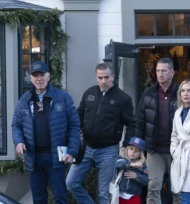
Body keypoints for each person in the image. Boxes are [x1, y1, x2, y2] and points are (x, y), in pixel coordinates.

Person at [66, 62, 137, 204]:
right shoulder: (89, 93)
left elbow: (131, 124)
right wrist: (74, 135)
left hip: (108, 151)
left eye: (106, 77)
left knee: (103, 194)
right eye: (100, 78)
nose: (103, 81)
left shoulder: (123, 98)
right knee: (71, 183)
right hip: (86, 148)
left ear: (113, 76)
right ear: (96, 77)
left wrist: (125, 145)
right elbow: (79, 115)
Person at [12, 61, 80, 204]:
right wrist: (19, 142)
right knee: (38, 199)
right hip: (34, 157)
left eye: (42, 74)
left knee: (60, 197)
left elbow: (74, 125)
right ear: (30, 79)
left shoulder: (63, 97)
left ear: (48, 76)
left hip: (56, 156)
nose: (39, 79)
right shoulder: (24, 100)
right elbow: (16, 125)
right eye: (35, 75)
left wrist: (72, 151)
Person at [136, 57, 180, 204]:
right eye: (158, 71)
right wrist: (139, 148)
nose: (160, 74)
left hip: (177, 151)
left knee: (178, 189)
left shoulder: (182, 93)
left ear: (172, 72)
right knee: (153, 188)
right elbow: (141, 122)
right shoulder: (148, 93)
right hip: (154, 151)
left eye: (164, 71)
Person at [115, 137, 148, 204]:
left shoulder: (142, 165)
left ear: (140, 153)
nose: (133, 152)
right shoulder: (122, 159)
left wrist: (136, 176)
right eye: (131, 149)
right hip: (119, 194)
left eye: (136, 151)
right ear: (127, 149)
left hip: (134, 196)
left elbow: (146, 180)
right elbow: (117, 164)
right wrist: (130, 164)